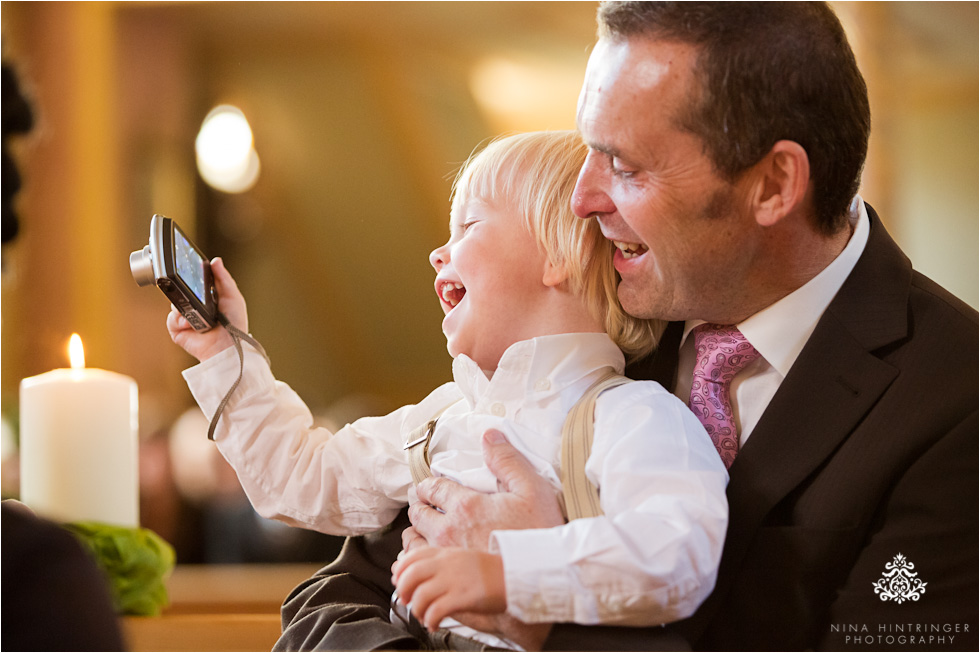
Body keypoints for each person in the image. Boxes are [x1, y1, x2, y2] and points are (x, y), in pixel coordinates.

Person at [276, 2, 979, 651]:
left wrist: (538, 604)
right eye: (589, 151)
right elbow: (331, 605)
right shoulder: (580, 323)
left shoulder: (955, 398)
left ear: (773, 184)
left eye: (625, 165)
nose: (583, 198)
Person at [169, 131, 728, 649]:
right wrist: (226, 356)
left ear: (557, 256)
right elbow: (301, 478)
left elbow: (678, 550)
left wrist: (509, 571)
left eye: (468, 227)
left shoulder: (634, 416)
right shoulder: (438, 421)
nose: (438, 253)